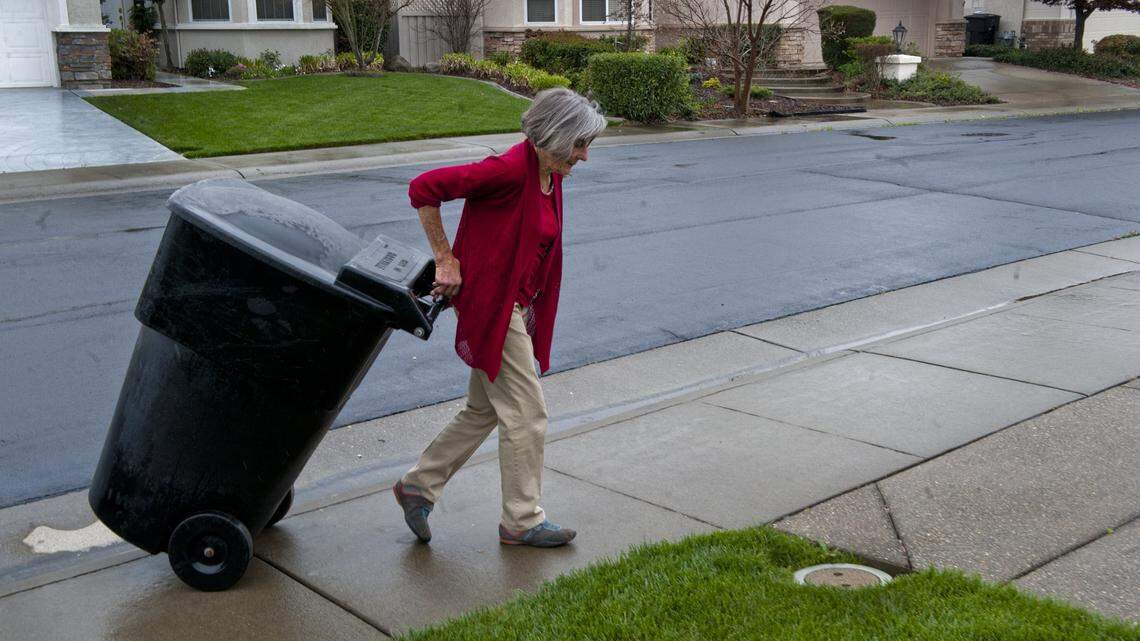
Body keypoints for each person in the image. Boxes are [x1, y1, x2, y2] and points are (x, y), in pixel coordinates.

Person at [392, 88, 607, 548]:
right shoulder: (509, 170)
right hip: (492, 307)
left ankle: (418, 485)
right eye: (580, 144)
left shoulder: (551, 174)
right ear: (554, 136)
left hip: (514, 305)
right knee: (528, 415)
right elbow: (423, 189)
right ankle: (522, 520)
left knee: (485, 408)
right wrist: (445, 258)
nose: (585, 156)